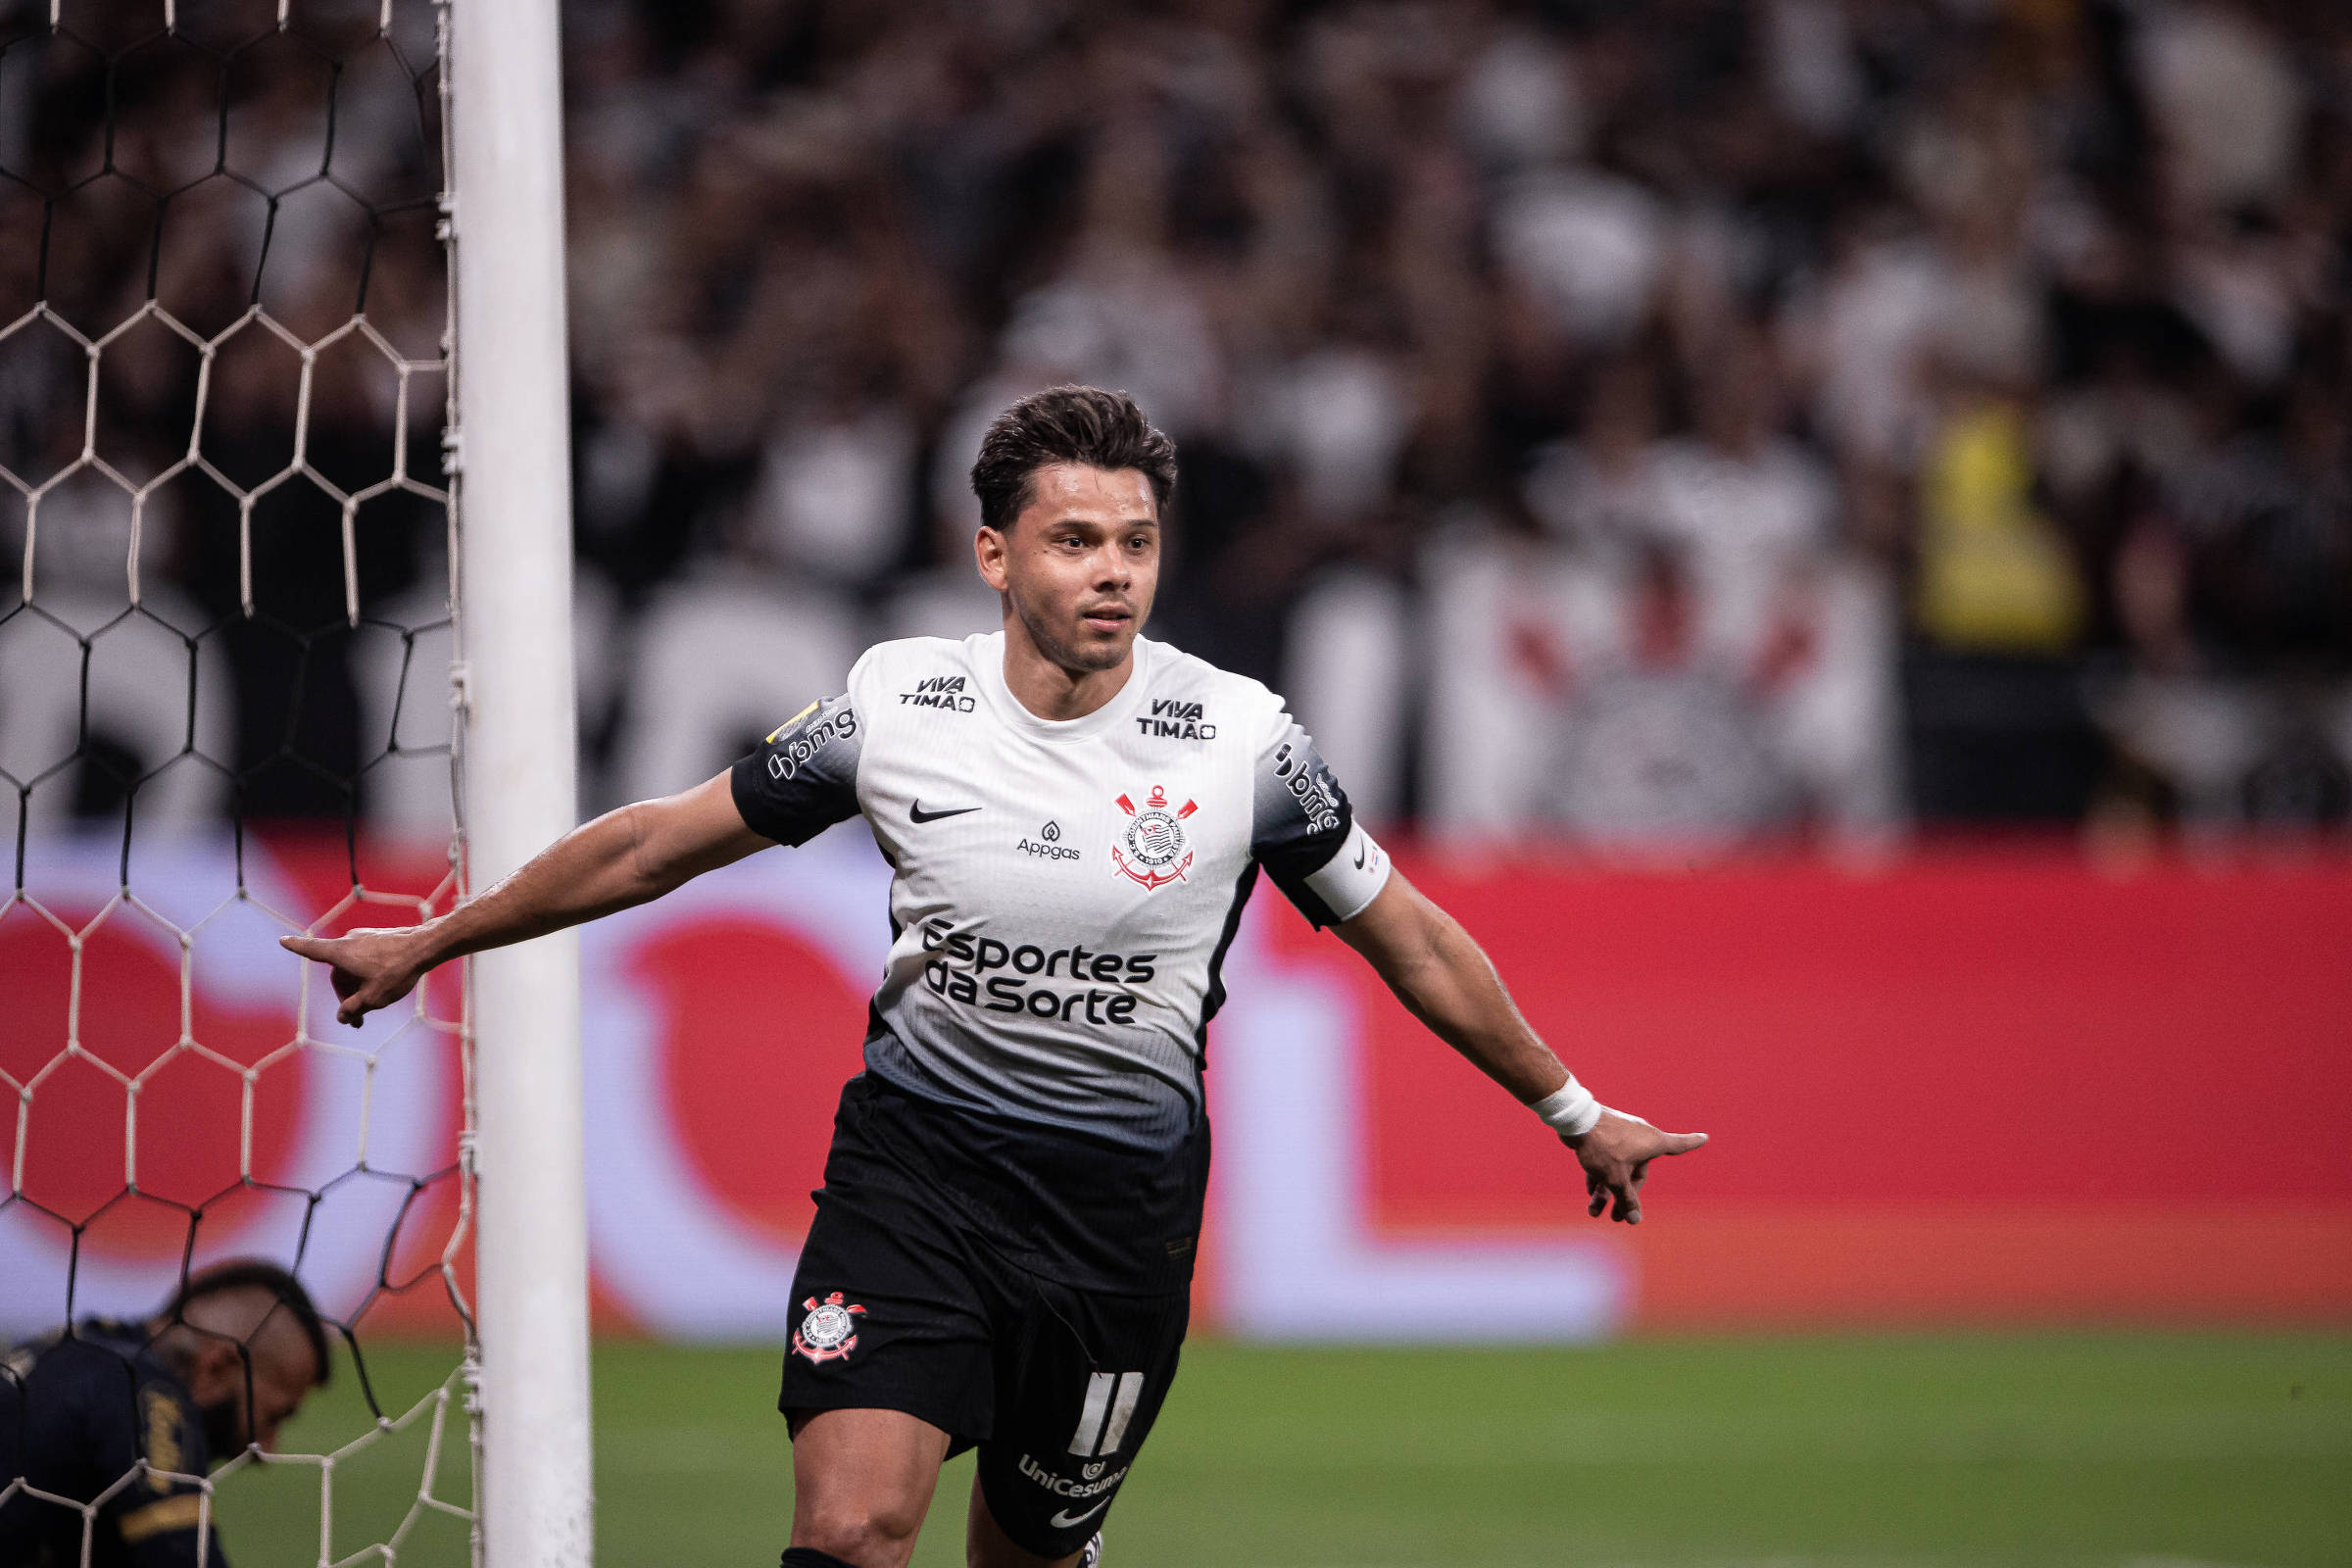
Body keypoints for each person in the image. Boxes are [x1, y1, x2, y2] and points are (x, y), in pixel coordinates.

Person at [282, 385, 1708, 1568]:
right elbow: (659, 845)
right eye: (1076, 539)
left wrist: (1576, 1110)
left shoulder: (1240, 739)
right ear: (995, 557)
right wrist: (433, 939)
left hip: (1115, 1223)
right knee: (851, 1531)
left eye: (1136, 543)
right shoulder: (902, 705)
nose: (1113, 572)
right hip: (915, 1183)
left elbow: (1409, 935)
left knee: (1023, 1556)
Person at [0, 1259, 332, 1568]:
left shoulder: (67, 1348)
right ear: (216, 1367)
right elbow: (181, 1558)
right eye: (273, 1416)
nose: (266, 1450)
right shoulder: (151, 1395)